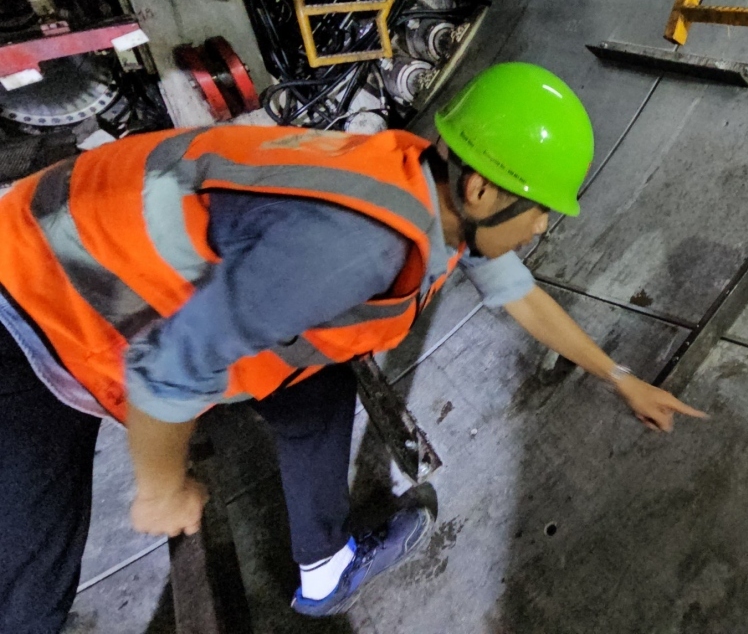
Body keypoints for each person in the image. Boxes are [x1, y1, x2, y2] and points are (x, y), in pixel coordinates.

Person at [0, 62, 705, 630]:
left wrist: (617, 375)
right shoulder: (356, 246)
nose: (544, 228)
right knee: (31, 578)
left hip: (78, 252)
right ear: (485, 191)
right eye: (543, 210)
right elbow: (173, 365)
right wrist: (162, 489)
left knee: (319, 386)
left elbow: (517, 289)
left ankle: (325, 569)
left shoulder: (427, 187)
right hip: (33, 298)